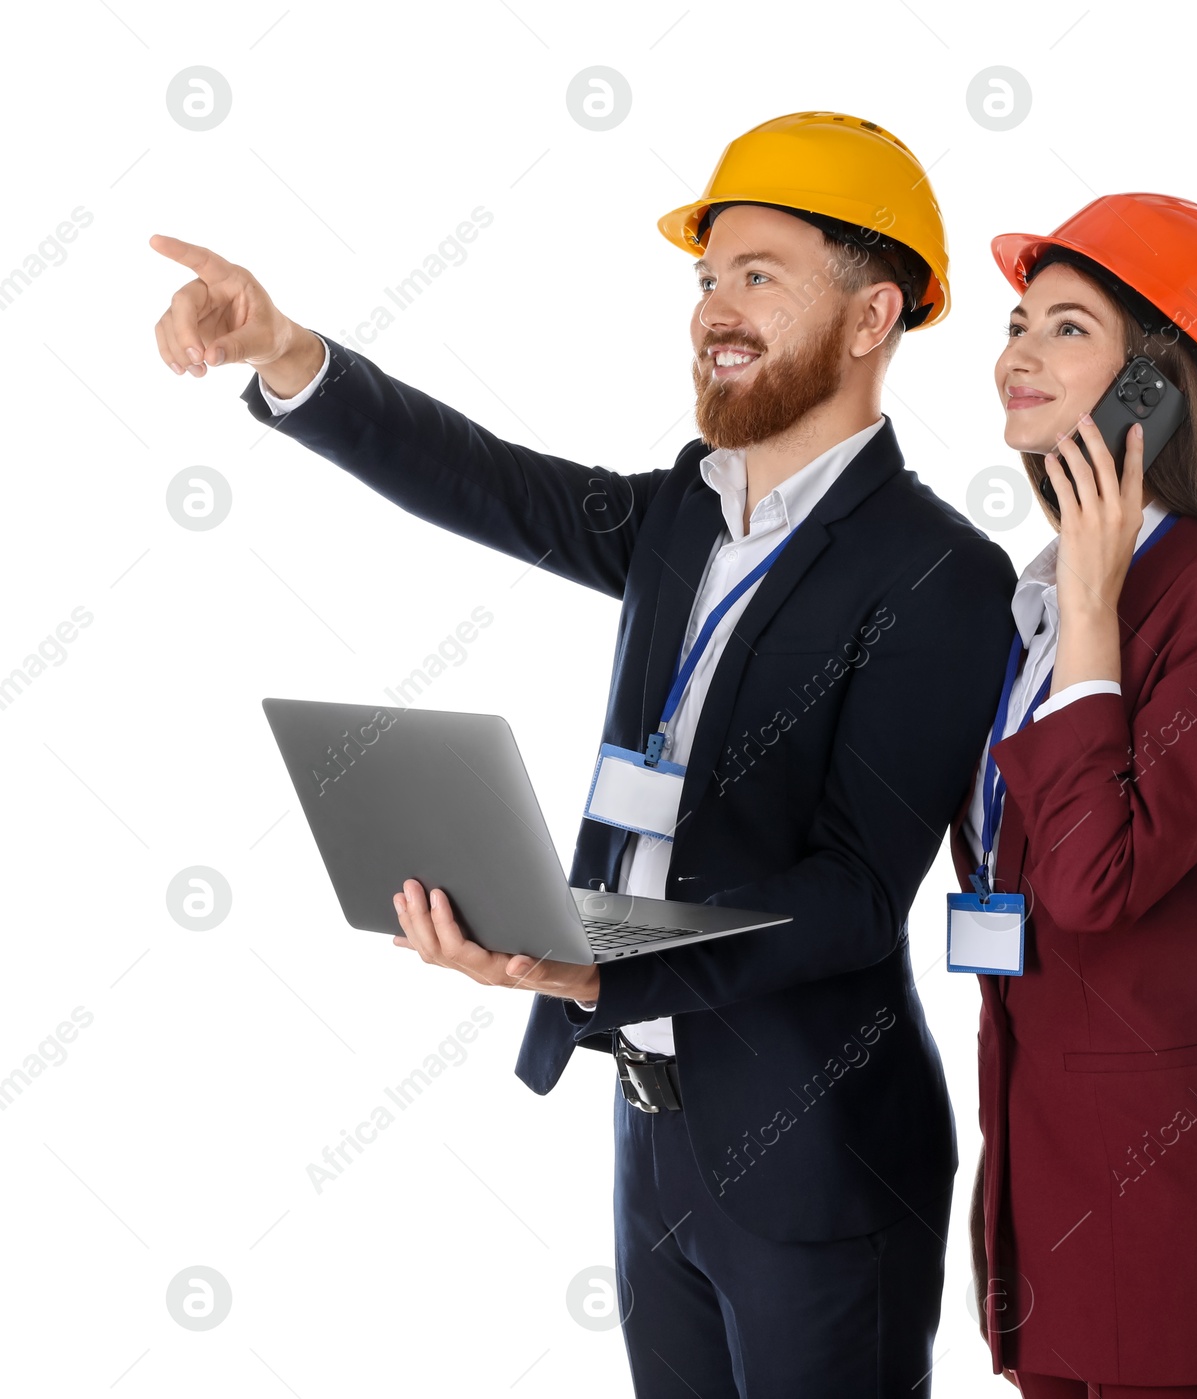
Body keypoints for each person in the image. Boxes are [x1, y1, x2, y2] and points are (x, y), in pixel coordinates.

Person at [148, 112, 1018, 1397]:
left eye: (758, 274)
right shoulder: (682, 511)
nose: (714, 307)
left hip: (818, 1155)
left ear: (872, 314)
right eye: (706, 276)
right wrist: (288, 355)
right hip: (656, 1130)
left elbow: (850, 895)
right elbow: (486, 482)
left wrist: (589, 957)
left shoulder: (942, 571)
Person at [949, 194, 1197, 1398]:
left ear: (1153, 390)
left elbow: (1090, 880)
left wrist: (1098, 614)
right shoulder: (1035, 595)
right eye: (1016, 321)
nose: (1016, 353)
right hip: (1039, 1184)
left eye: (1065, 328)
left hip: (1175, 1212)